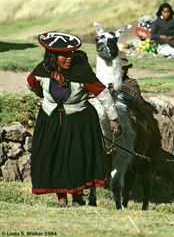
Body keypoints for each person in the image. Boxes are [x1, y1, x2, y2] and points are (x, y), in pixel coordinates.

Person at [27, 31, 119, 208]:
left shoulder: (81, 71)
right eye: (64, 55)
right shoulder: (43, 70)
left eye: (70, 54)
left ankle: (77, 198)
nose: (69, 58)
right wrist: (45, 98)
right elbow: (31, 83)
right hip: (51, 121)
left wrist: (113, 118)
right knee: (54, 158)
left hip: (79, 122)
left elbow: (103, 94)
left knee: (77, 159)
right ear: (53, 56)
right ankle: (62, 200)